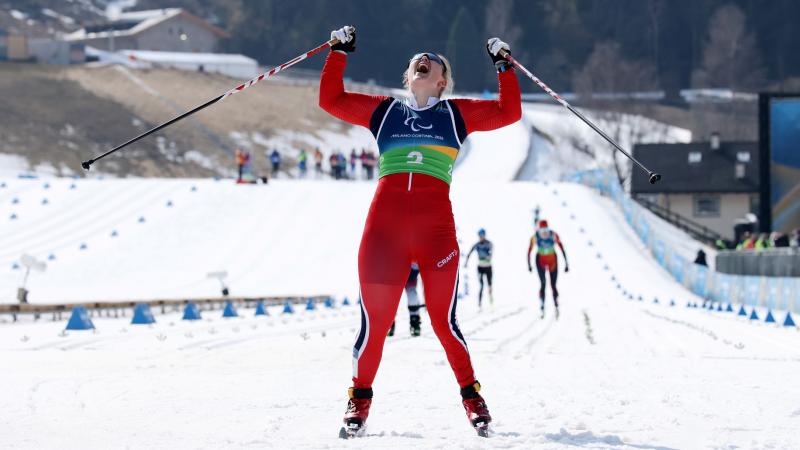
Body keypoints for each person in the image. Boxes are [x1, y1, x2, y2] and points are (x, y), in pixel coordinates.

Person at [319, 26, 520, 437]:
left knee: (444, 323)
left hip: (436, 236)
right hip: (383, 234)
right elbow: (330, 100)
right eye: (417, 62)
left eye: (433, 62)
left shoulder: (455, 115)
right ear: (408, 76)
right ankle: (358, 402)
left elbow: (509, 112)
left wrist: (504, 66)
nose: (423, 61)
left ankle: (472, 398)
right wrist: (338, 53)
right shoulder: (385, 112)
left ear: (442, 80)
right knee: (375, 324)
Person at [527, 219, 568, 319]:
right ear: (539, 230)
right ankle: (542, 305)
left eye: (546, 230)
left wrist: (566, 263)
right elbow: (529, 250)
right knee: (543, 283)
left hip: (552, 261)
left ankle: (556, 305)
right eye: (542, 230)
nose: (544, 233)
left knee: (553, 284)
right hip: (540, 261)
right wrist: (529, 264)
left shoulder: (553, 235)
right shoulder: (535, 237)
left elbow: (561, 247)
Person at [387, 263, 424, 337]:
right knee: (391, 295)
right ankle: (389, 322)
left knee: (410, 294)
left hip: (405, 265)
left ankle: (414, 321)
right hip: (399, 266)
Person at [464, 228, 494, 309]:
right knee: (481, 285)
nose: (481, 237)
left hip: (488, 267)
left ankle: (491, 301)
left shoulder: (489, 244)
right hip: (480, 268)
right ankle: (480, 304)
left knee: (489, 285)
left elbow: (490, 254)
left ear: (484, 235)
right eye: (480, 236)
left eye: (482, 235)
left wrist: (487, 256)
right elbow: (469, 252)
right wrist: (466, 262)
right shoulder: (477, 245)